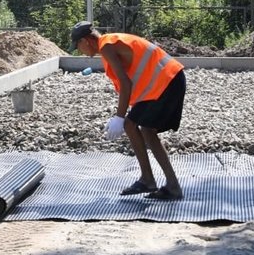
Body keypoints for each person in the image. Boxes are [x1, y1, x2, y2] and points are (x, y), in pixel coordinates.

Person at [70, 20, 186, 200]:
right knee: (145, 129)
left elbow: (126, 83)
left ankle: (152, 180)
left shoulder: (107, 46)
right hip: (168, 81)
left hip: (167, 82)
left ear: (85, 41)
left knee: (131, 125)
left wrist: (119, 117)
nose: (80, 51)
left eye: (78, 46)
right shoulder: (108, 44)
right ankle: (166, 184)